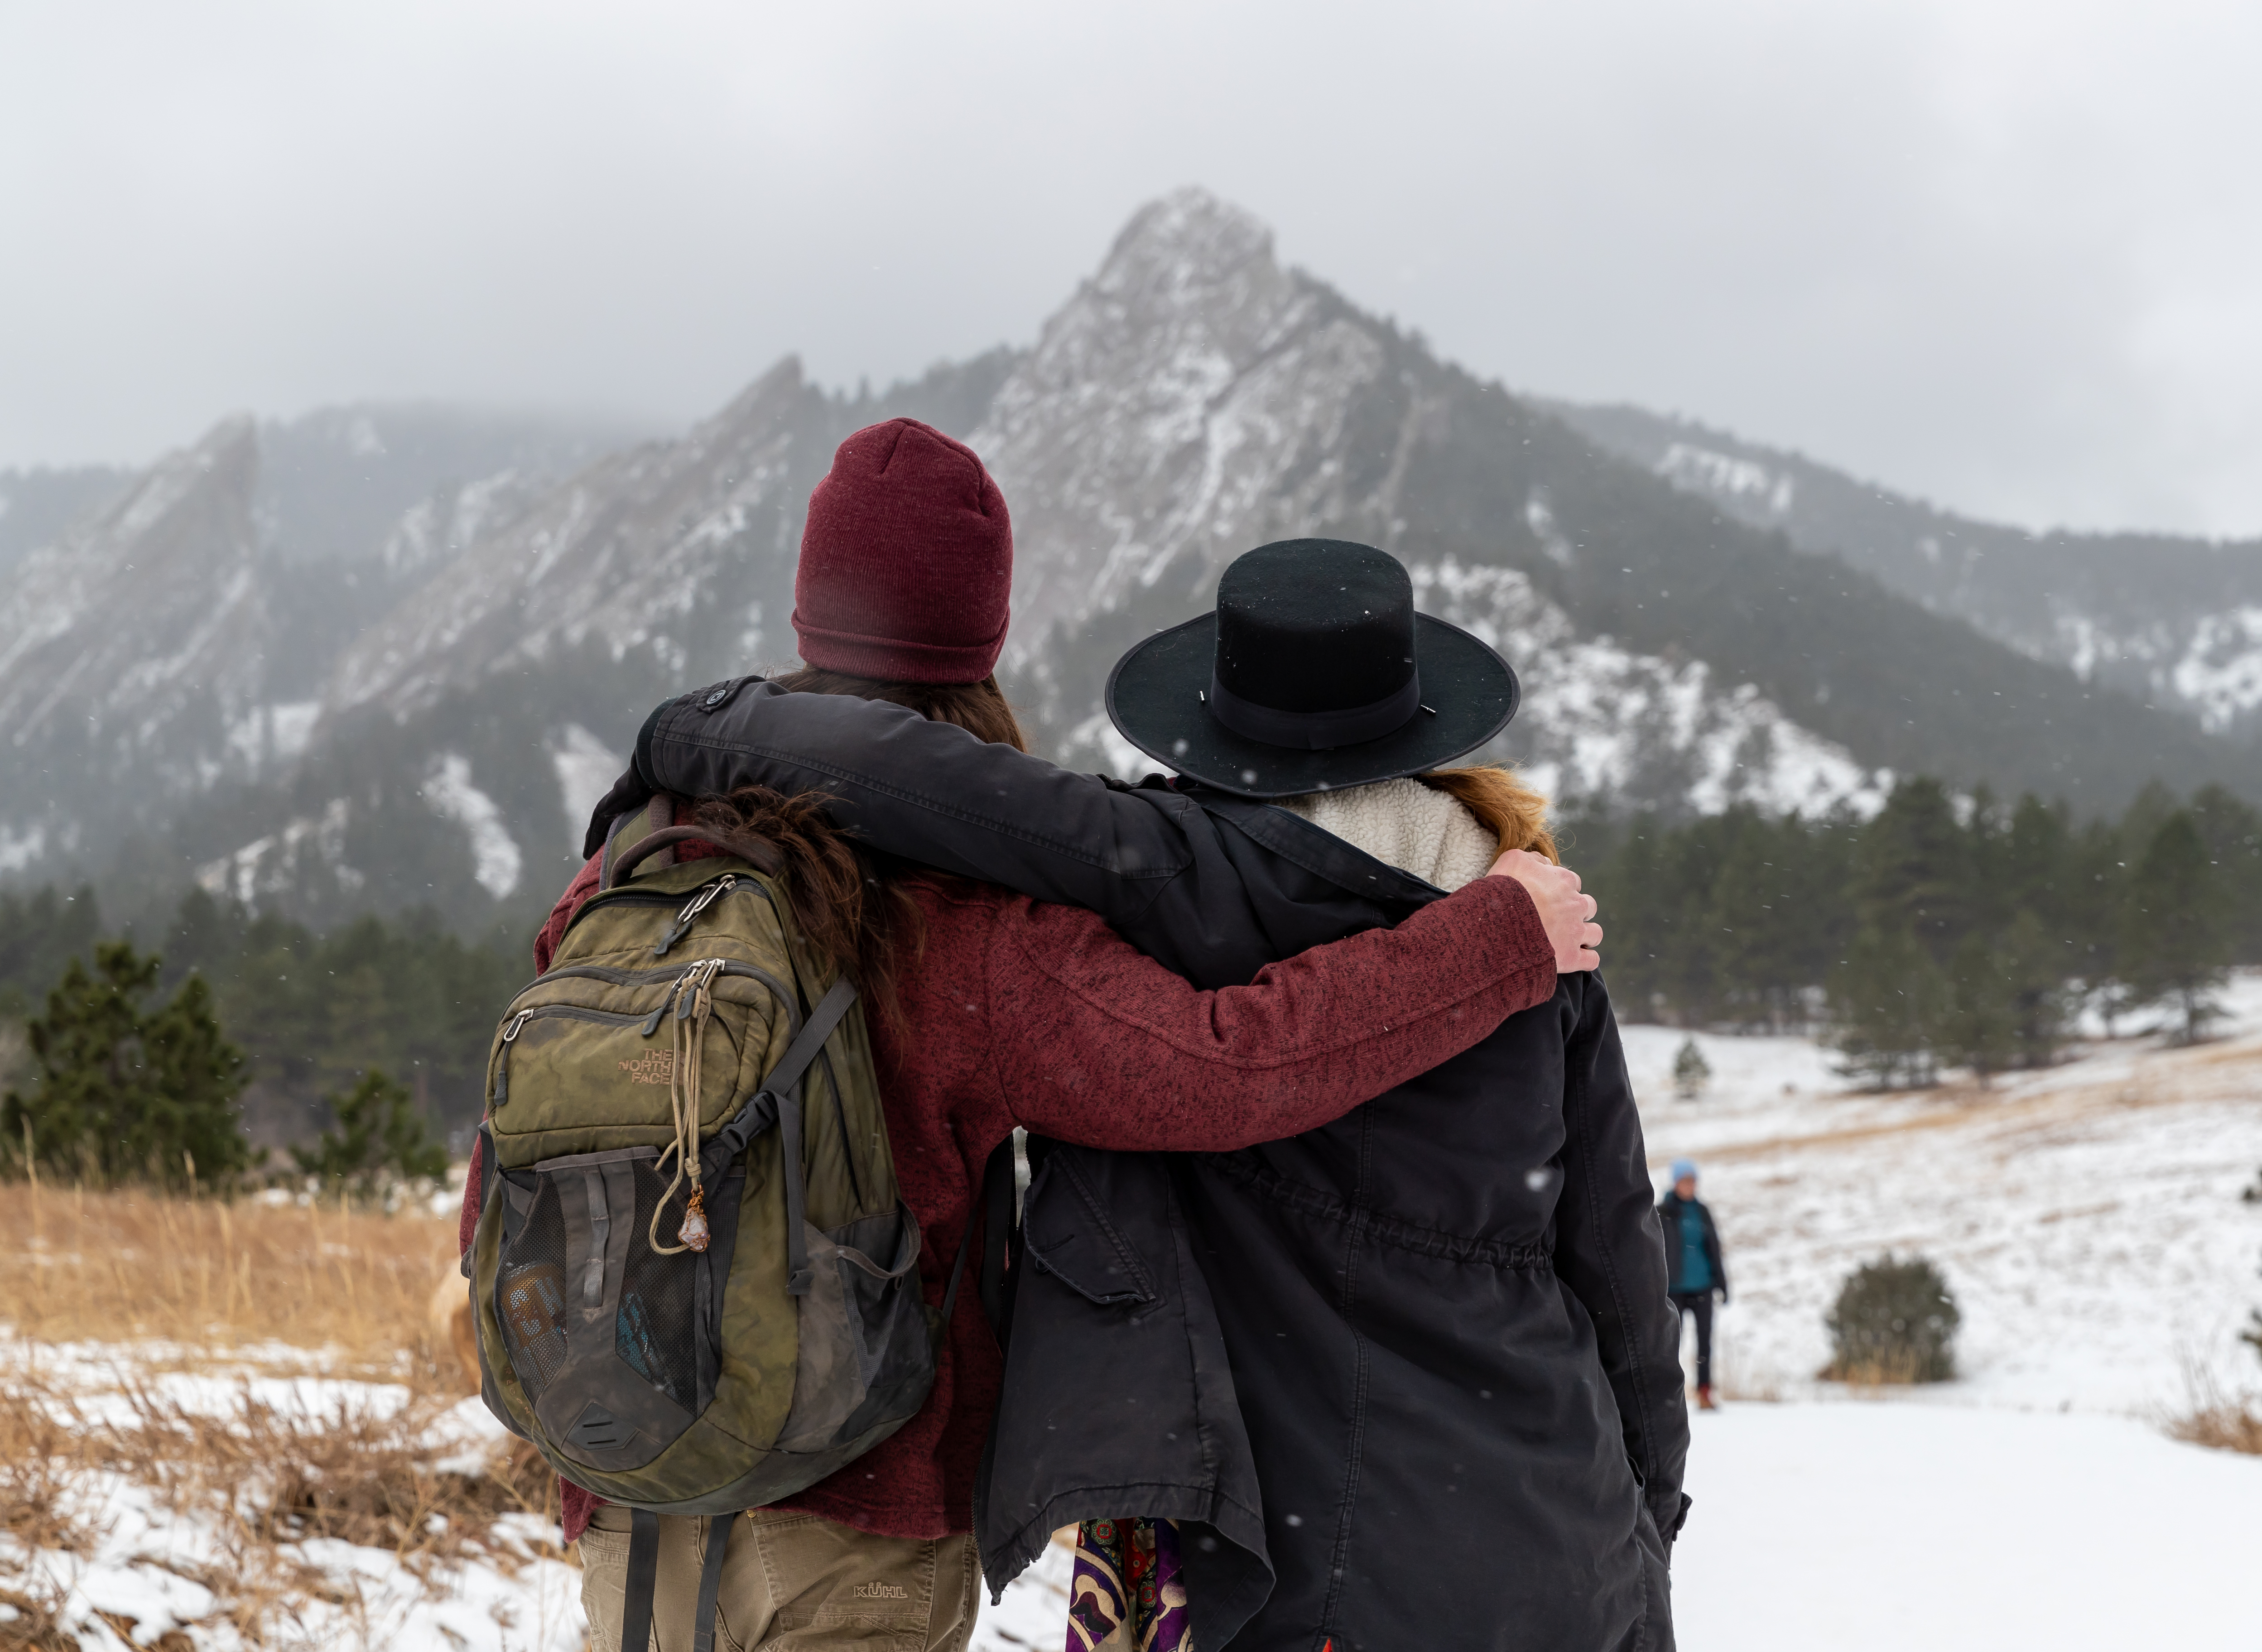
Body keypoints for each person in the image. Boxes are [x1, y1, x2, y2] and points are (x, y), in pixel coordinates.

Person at [459, 418, 1603, 1652]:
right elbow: (1224, 1067)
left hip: (631, 1493)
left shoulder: (640, 855)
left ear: (808, 608)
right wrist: (1495, 943)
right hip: (856, 1520)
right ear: (982, 636)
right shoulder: (955, 916)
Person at [1660, 1159, 1729, 1410]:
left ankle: (1704, 1393)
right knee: (1670, 1345)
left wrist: (1722, 1284)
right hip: (1673, 1290)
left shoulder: (1702, 1211)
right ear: (1675, 1182)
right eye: (1684, 1180)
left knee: (1705, 1343)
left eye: (1693, 1180)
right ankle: (1668, 1397)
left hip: (1703, 1287)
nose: (1689, 1185)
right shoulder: (1662, 1212)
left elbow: (1715, 1249)